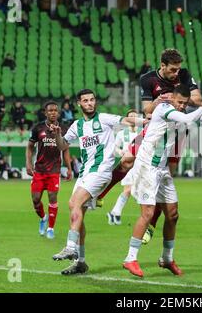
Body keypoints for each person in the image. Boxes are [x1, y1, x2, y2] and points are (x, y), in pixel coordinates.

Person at [96, 48, 202, 245]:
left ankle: (151, 226)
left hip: (176, 133)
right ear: (162, 66)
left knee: (165, 177)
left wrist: (173, 97)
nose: (176, 73)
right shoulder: (148, 79)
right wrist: (157, 101)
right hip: (153, 131)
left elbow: (198, 100)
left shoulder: (185, 75)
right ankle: (100, 194)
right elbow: (147, 110)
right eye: (172, 70)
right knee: (126, 160)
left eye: (178, 69)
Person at [50, 89, 144, 275]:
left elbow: (127, 120)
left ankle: (70, 246)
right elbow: (62, 146)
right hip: (85, 173)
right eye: (86, 100)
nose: (90, 103)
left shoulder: (104, 119)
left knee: (73, 203)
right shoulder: (77, 125)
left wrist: (148, 122)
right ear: (79, 103)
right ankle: (81, 262)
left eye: (92, 99)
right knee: (79, 214)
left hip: (101, 172)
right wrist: (58, 134)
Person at [121, 84, 202, 278]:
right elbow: (188, 118)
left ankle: (167, 258)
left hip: (161, 169)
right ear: (172, 99)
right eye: (179, 102)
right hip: (146, 167)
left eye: (185, 103)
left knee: (173, 214)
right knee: (148, 213)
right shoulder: (164, 108)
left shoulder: (182, 111)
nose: (181, 106)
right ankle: (130, 258)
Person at [26, 101, 72, 239]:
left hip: (54, 170)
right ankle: (43, 218)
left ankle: (51, 228)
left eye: (55, 110)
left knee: (52, 197)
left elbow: (65, 149)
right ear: (45, 113)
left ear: (58, 113)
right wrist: (28, 163)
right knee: (35, 200)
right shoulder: (38, 128)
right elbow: (30, 146)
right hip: (39, 170)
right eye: (50, 110)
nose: (53, 113)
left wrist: (69, 168)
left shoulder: (63, 129)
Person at [107, 110, 141, 226]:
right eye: (130, 116)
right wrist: (120, 151)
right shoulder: (122, 133)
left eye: (134, 116)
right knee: (128, 190)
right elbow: (115, 147)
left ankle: (114, 212)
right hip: (128, 165)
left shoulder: (142, 132)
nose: (132, 118)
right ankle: (115, 212)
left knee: (130, 191)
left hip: (141, 164)